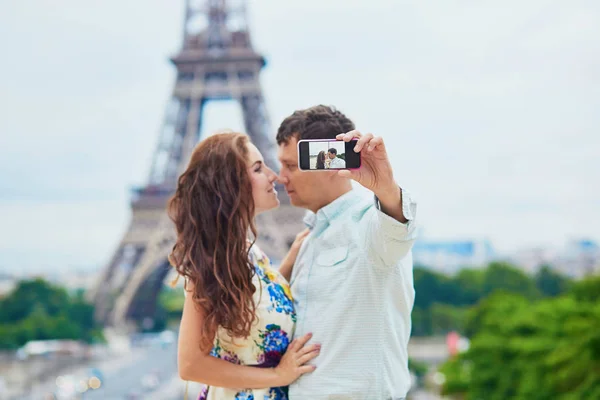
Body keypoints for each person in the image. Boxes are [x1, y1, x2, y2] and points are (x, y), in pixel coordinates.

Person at [275, 105, 418, 399]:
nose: (281, 177)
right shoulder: (307, 242)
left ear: (328, 162)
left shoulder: (368, 226)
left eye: (291, 165)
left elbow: (397, 229)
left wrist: (386, 187)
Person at [169, 132, 319, 400]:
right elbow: (190, 364)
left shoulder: (248, 253)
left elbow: (256, 301)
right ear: (231, 185)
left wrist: (292, 258)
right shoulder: (213, 262)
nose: (275, 176)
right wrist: (276, 376)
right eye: (259, 168)